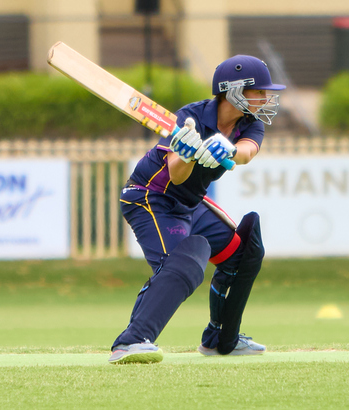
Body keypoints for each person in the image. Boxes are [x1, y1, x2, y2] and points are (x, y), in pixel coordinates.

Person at [108, 54, 285, 364]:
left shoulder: (250, 124)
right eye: (260, 91)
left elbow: (246, 153)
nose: (266, 98)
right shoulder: (188, 118)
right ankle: (131, 341)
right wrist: (188, 153)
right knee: (185, 263)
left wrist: (229, 148)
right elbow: (176, 174)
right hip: (151, 198)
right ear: (234, 91)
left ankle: (220, 338)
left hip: (191, 204)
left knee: (241, 252)